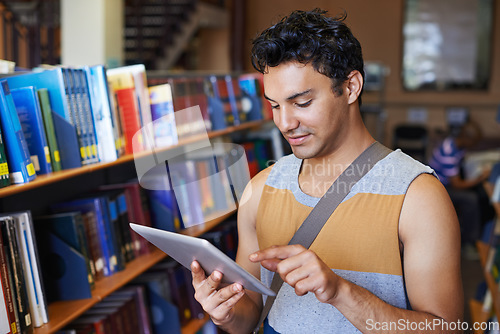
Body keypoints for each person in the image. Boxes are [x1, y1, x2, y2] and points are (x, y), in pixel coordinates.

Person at [191, 9, 463, 333]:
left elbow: (447, 329)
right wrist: (226, 311)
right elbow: (250, 317)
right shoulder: (260, 190)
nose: (284, 123)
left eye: (302, 103)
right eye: (275, 106)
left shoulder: (417, 196)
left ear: (351, 87)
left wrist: (340, 291)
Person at [429, 120, 491, 258]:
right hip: (438, 186)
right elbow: (457, 184)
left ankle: (477, 233)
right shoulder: (448, 151)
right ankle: (469, 243)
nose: (475, 145)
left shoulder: (457, 144)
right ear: (466, 138)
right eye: (473, 141)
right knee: (471, 199)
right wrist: (480, 178)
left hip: (447, 182)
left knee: (479, 193)